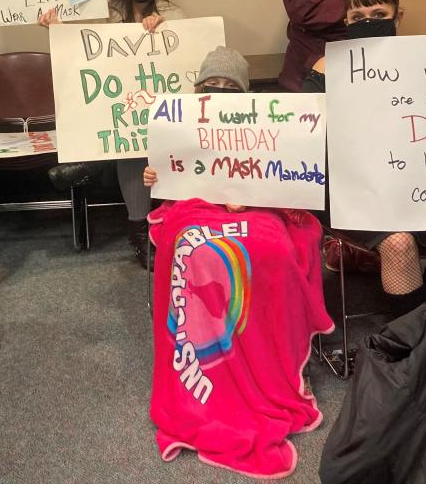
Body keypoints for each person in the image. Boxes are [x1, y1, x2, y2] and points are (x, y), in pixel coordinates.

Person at [142, 46, 333, 478]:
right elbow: (170, 177)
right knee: (196, 252)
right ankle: (208, 359)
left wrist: (250, 194)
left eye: (230, 86)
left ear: (244, 93)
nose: (220, 91)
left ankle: (270, 350)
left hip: (259, 209)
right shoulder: (182, 123)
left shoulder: (265, 124)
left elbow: (285, 173)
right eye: (212, 84)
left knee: (274, 251)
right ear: (198, 88)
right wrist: (156, 175)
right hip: (193, 209)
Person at [304, 0, 426, 317]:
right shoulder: (325, 68)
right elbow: (304, 135)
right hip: (357, 188)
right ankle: (412, 336)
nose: (368, 21)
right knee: (399, 244)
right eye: (358, 16)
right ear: (347, 23)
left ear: (398, 18)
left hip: (422, 182)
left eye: (379, 12)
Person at [39, 0, 182, 267]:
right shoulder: (107, 10)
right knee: (131, 147)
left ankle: (92, 165)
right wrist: (57, 29)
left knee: (140, 142)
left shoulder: (173, 14)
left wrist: (165, 30)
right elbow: (85, 47)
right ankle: (139, 229)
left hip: (158, 105)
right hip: (117, 104)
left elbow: (183, 52)